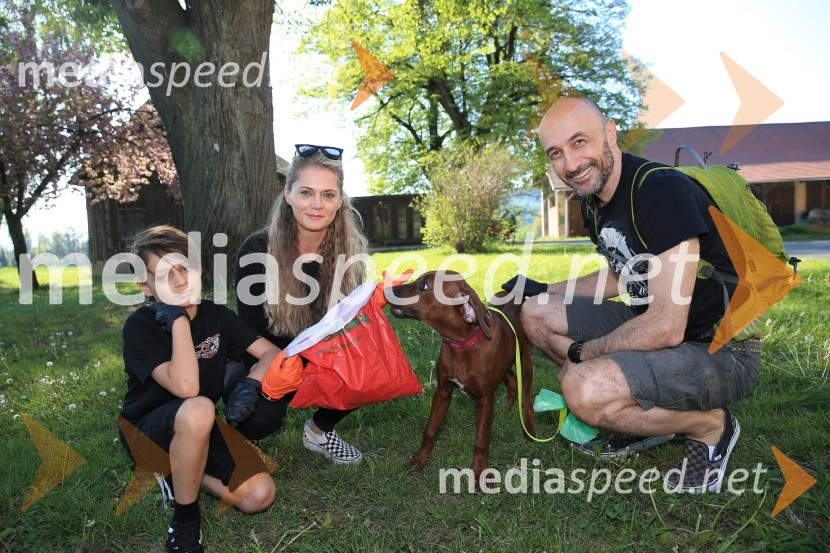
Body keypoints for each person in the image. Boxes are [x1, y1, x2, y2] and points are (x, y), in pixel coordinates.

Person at [504, 96, 761, 493]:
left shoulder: (661, 192)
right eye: (556, 153)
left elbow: (664, 327)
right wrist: (542, 290)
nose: (570, 165)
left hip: (719, 350)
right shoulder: (595, 198)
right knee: (536, 313)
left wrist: (583, 355)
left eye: (579, 142)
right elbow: (619, 275)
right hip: (658, 328)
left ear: (610, 133)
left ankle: (709, 426)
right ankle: (637, 414)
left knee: (582, 389)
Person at [120, 225, 286, 553]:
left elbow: (272, 353)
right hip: (147, 431)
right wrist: (180, 321)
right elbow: (186, 386)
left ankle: (173, 470)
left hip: (200, 426)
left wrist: (252, 382)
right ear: (145, 286)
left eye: (187, 268)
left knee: (260, 496)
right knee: (199, 407)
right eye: (166, 274)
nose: (181, 281)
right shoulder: (138, 327)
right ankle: (185, 517)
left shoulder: (216, 315)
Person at [233, 144, 369, 465]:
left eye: (328, 195)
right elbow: (250, 334)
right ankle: (232, 433)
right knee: (258, 420)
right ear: (288, 195)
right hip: (270, 356)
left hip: (320, 355)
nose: (316, 205)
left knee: (366, 366)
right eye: (306, 192)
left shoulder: (350, 252)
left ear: (339, 201)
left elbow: (347, 325)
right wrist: (276, 373)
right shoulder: (256, 250)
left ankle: (319, 431)